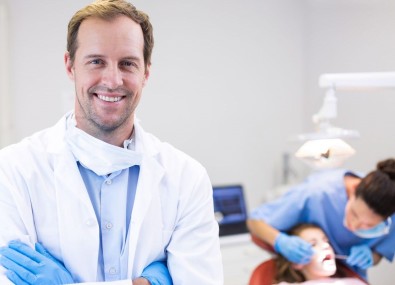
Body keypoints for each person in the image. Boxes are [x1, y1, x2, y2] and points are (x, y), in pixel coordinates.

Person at [0, 0, 223, 284]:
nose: (113, 80)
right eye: (96, 61)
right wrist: (148, 281)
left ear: (146, 73)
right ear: (70, 66)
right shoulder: (12, 170)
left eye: (127, 64)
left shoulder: (187, 177)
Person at [247, 158, 395, 281]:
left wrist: (371, 256)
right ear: (354, 188)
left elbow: (380, 251)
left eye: (368, 225)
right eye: (354, 214)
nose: (354, 227)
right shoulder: (317, 192)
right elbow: (255, 222)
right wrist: (281, 242)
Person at [273, 223, 367, 284]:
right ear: (296, 262)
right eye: (313, 244)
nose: (326, 246)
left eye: (326, 241)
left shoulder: (354, 283)